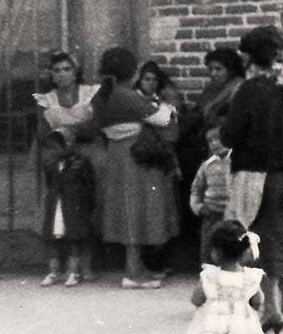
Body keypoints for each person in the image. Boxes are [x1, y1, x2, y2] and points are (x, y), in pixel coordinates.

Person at [221, 25, 283, 334]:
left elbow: (229, 134)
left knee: (260, 236)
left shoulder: (249, 90)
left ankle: (270, 309)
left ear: (249, 57)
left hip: (260, 174)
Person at [91, 47, 179, 289]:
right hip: (135, 155)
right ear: (132, 70)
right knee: (138, 208)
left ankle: (135, 266)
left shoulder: (102, 96)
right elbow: (162, 119)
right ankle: (132, 271)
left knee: (127, 208)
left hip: (116, 154)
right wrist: (169, 106)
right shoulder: (126, 96)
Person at [33, 52, 104, 281]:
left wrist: (72, 131)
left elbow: (95, 126)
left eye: (67, 69)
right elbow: (43, 132)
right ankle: (57, 265)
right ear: (51, 75)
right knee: (61, 207)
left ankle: (85, 263)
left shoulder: (89, 93)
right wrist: (60, 142)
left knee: (88, 206)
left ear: (75, 72)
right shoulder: (46, 100)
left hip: (89, 152)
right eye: (57, 70)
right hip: (59, 154)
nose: (62, 74)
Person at [39, 129, 96, 287]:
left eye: (56, 147)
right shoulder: (50, 164)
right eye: (50, 148)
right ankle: (54, 271)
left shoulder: (81, 162)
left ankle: (73, 272)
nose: (52, 151)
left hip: (74, 204)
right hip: (56, 205)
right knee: (54, 240)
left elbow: (89, 185)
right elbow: (50, 183)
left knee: (74, 239)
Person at [190, 127, 232, 266]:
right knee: (209, 247)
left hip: (232, 213)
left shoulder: (236, 161)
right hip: (212, 213)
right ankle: (209, 275)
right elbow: (196, 189)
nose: (214, 143)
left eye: (218, 139)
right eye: (210, 141)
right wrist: (198, 207)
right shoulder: (207, 166)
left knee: (232, 247)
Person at [198, 47, 245, 127]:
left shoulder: (240, 88)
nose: (213, 74)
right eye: (210, 69)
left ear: (231, 70)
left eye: (218, 69)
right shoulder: (210, 87)